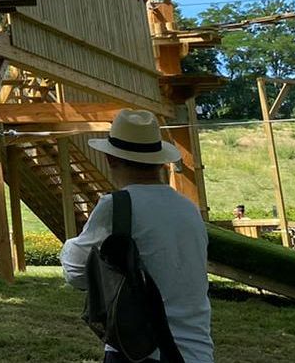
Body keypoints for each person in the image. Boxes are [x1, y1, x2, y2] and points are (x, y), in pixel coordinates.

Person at [61, 110, 214, 363]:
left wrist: (69, 246)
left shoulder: (118, 206)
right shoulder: (188, 208)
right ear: (159, 161)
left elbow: (76, 274)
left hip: (140, 351)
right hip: (197, 350)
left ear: (110, 159)